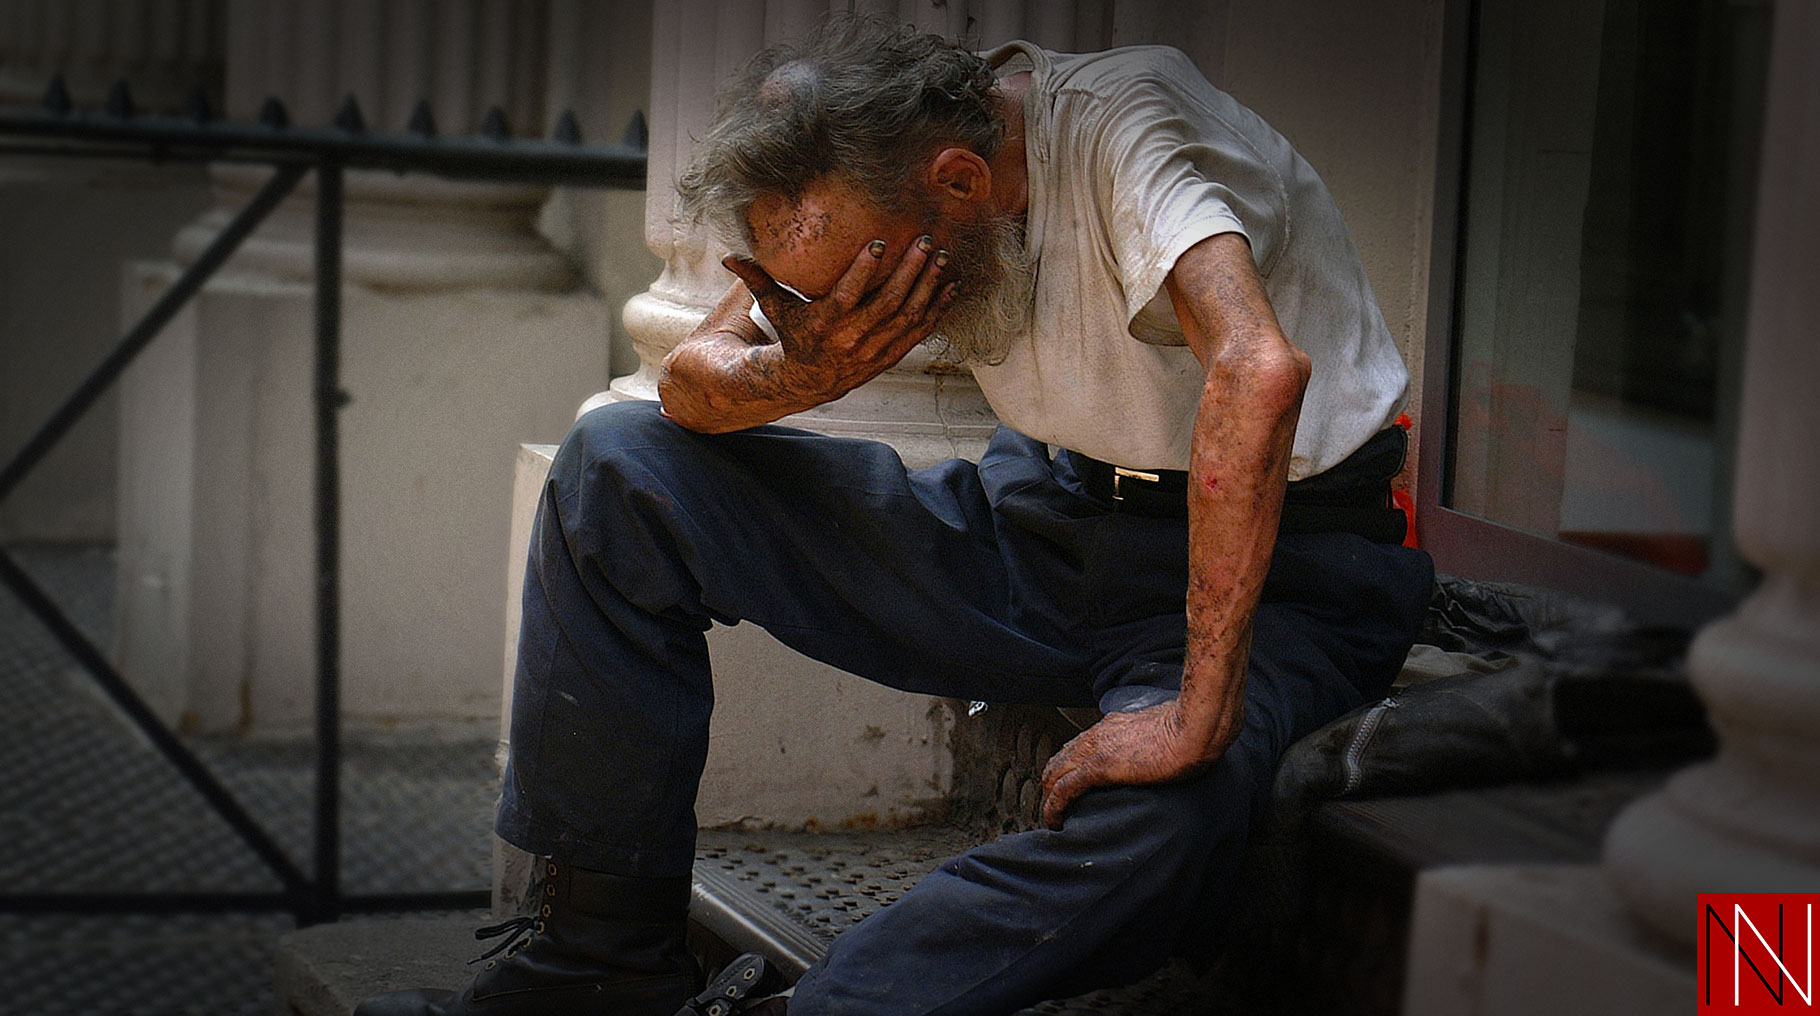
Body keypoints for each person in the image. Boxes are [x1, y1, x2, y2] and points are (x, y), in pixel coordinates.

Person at [357, 12, 1432, 1016]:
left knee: (1167, 827)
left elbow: (1255, 368)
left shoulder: (1126, 123)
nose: (819, 311)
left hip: (1283, 564)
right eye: (800, 294)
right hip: (1044, 523)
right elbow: (689, 381)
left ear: (959, 181)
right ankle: (595, 965)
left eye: (839, 285)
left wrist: (1197, 712)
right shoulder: (863, 168)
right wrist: (800, 371)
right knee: (620, 461)